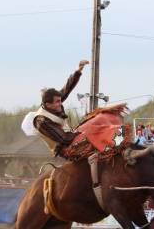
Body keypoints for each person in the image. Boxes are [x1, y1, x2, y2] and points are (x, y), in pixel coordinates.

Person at [25, 59, 117, 205]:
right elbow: (63, 139)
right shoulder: (41, 121)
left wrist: (78, 71)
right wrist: (85, 131)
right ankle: (98, 178)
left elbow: (66, 89)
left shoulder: (54, 104)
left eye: (60, 101)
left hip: (71, 136)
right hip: (64, 147)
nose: (60, 103)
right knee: (93, 128)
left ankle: (115, 148)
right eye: (57, 102)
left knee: (98, 119)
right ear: (47, 104)